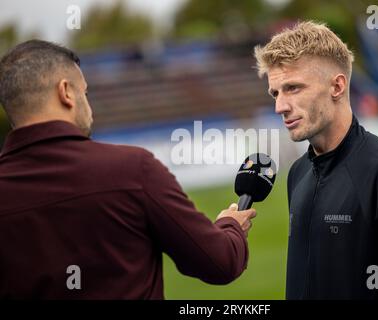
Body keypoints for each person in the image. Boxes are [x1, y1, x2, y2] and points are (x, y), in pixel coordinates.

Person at [0, 40, 256, 299]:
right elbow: (218, 263)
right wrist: (231, 225)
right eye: (85, 94)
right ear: (65, 92)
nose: (89, 107)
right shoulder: (133, 170)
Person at [254, 21, 378, 299]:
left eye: (293, 88)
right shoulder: (298, 173)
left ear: (337, 86)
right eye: (276, 92)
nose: (280, 106)